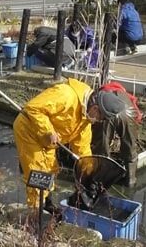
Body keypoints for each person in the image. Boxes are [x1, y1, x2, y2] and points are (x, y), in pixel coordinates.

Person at [13, 78, 127, 215]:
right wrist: (48, 130)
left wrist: (89, 175)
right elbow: (33, 108)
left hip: (49, 139)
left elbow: (83, 150)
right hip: (29, 131)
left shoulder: (85, 119)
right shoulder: (66, 95)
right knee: (37, 173)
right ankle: (35, 214)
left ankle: (46, 203)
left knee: (51, 169)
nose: (98, 121)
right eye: (100, 118)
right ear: (95, 108)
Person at [91, 81, 142, 187]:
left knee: (101, 149)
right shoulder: (125, 97)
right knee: (130, 148)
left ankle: (100, 181)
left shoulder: (100, 97)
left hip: (104, 113)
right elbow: (137, 117)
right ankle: (130, 180)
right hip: (127, 112)